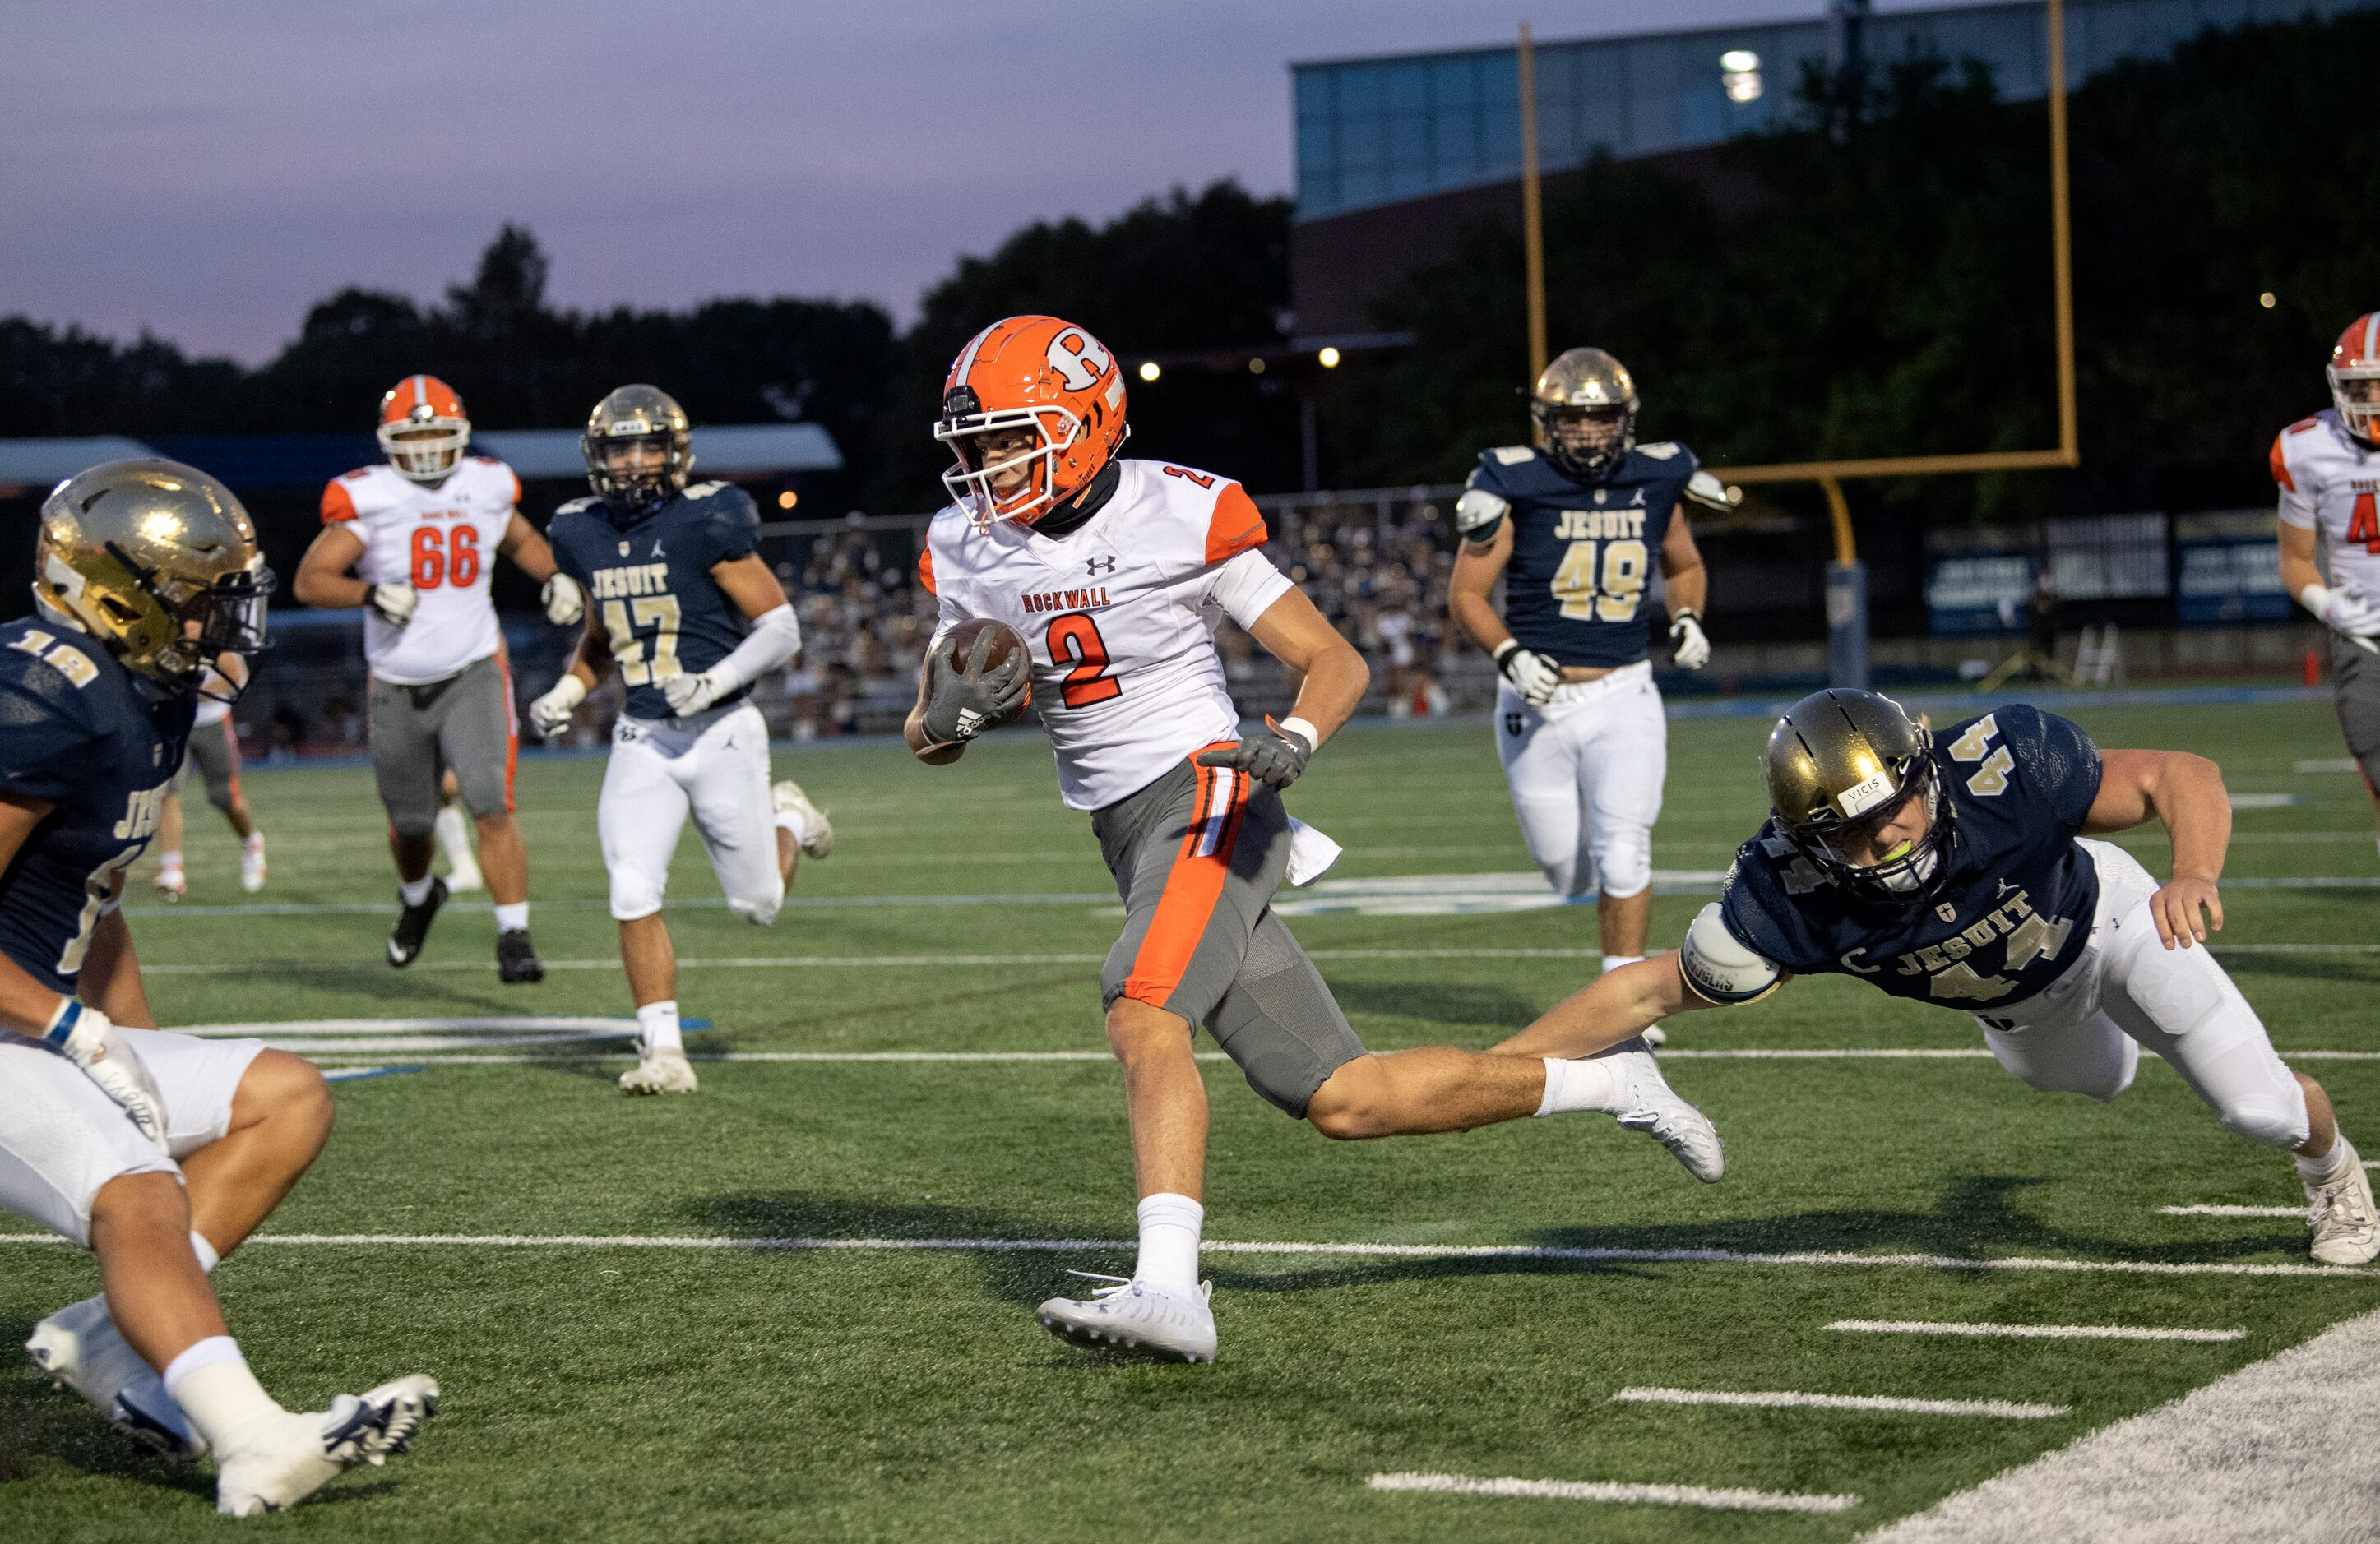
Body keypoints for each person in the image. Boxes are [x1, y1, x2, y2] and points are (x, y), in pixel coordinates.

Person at [908, 315, 1722, 1365]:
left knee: (1142, 1009)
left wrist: (1294, 735)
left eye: (1009, 439)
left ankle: (1168, 1291)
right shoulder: (963, 544)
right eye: (974, 445)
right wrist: (951, 718)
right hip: (1126, 832)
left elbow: (1332, 660)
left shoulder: (1181, 511)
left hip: (1213, 793)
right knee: (1346, 1098)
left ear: (1084, 420)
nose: (984, 465)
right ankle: (1614, 1081)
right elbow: (923, 737)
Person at [1495, 687, 2378, 1267]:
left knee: (2253, 1107)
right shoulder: (1795, 893)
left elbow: (2177, 775)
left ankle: (2332, 1173)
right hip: (2022, 1012)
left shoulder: (2003, 769)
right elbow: (1645, 992)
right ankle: (2137, 1034)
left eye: (1892, 810)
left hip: (2114, 925)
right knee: (2101, 1081)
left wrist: (2193, 872)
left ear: (1924, 771)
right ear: (1805, 841)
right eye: (1847, 833)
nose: (1882, 839)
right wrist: (1502, 1068)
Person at [7, 459, 438, 1514]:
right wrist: (72, 1029)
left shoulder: (137, 696)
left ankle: (111, 1336)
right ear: (123, 595)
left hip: (32, 1023)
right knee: (137, 1192)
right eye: (203, 600)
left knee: (284, 1096)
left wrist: (127, 1041)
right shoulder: (43, 697)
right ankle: (254, 1444)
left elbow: (92, 897)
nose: (225, 624)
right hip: (14, 1024)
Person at [529, 385, 832, 1095]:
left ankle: (788, 815)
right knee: (632, 887)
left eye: (647, 446)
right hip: (643, 737)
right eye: (619, 447)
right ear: (597, 456)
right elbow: (604, 639)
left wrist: (716, 681)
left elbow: (781, 627)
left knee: (756, 905)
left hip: (722, 731)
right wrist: (568, 691)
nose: (634, 461)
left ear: (675, 453)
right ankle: (662, 1049)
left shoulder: (706, 518)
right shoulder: (581, 530)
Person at [1449, 347, 1729, 1005]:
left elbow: (1684, 564)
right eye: (1571, 420)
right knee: (1564, 866)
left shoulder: (1659, 477)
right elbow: (1466, 593)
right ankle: (1605, 945)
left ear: (1624, 419)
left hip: (1624, 691)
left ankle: (1621, 999)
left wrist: (1687, 617)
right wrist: (1511, 654)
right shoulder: (1511, 483)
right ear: (1548, 422)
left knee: (1623, 848)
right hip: (1534, 699)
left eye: (1600, 418)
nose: (1586, 432)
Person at [294, 374, 583, 981]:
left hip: (473, 668)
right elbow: (311, 580)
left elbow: (521, 537)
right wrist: (369, 593)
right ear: (388, 440)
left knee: (489, 801)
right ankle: (420, 897)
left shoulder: (485, 484)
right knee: (412, 824)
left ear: (462, 435)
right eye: (413, 433)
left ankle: (514, 936)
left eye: (436, 432)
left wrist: (554, 576)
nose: (425, 446)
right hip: (396, 682)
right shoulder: (368, 498)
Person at [2273, 312, 2380, 859]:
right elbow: (2295, 559)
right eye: (2360, 385)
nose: (2370, 399)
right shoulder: (2307, 448)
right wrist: (2327, 603)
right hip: (2364, 640)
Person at [152, 663, 266, 899]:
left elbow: (235, 676)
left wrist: (195, 693)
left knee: (224, 796)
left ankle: (251, 842)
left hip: (211, 721)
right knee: (167, 792)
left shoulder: (213, 627)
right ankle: (173, 868)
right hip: (174, 721)